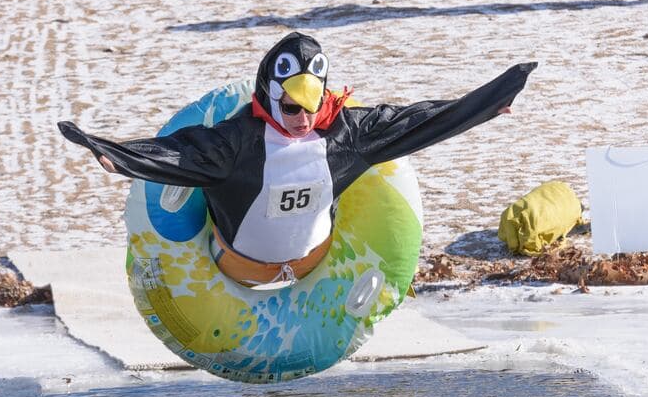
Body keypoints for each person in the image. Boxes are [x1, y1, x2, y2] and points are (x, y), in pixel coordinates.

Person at [58, 32, 536, 285]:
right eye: (290, 108)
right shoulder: (238, 142)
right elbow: (179, 154)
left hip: (315, 266)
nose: (302, 120)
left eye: (311, 107)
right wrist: (116, 156)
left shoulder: (347, 135)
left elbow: (418, 122)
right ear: (269, 96)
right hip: (236, 268)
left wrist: (489, 104)